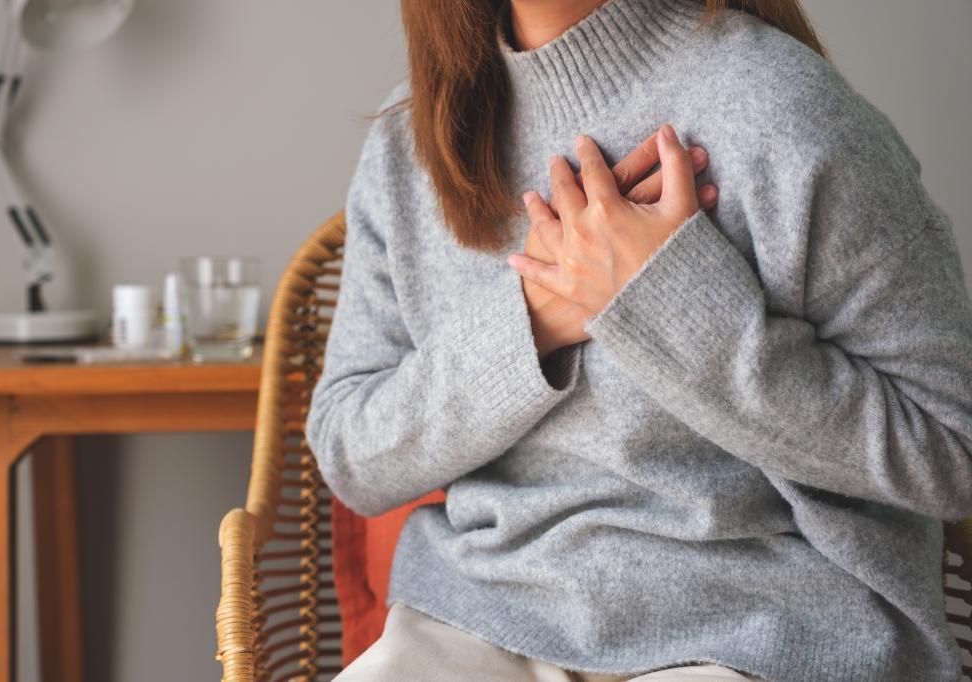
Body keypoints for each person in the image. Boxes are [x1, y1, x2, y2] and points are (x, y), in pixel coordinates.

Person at [303, 0, 972, 680]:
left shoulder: (780, 105)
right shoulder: (412, 142)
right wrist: (534, 316)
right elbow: (351, 454)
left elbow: (951, 450)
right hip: (481, 620)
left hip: (765, 628)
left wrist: (668, 301)